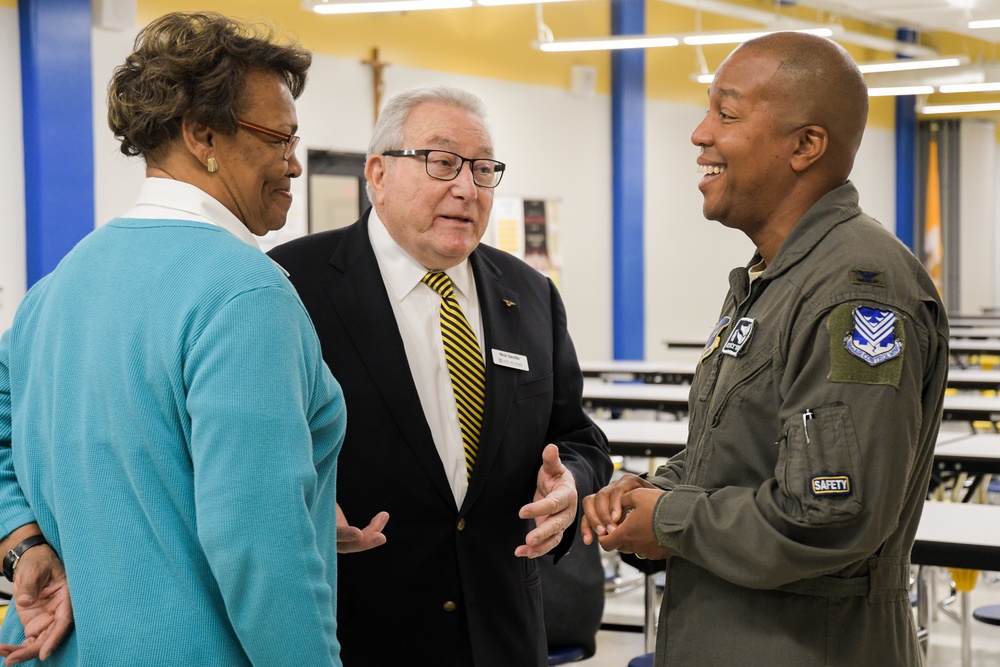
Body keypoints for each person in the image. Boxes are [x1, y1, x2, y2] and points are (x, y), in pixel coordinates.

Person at [0, 12, 385, 666]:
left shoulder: (56, 289)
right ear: (202, 134)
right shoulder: (247, 293)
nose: (294, 162)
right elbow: (259, 551)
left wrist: (23, 543)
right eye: (279, 138)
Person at [581, 32, 949, 666]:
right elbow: (745, 456)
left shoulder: (855, 289)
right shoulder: (775, 277)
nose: (700, 134)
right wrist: (653, 488)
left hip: (807, 643)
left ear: (805, 146)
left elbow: (829, 515)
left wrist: (669, 520)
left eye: (726, 114)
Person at [268, 85, 613, 666]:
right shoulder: (291, 286)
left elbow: (580, 439)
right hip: (361, 634)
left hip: (505, 634)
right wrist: (297, 509)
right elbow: (253, 455)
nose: (467, 187)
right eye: (442, 162)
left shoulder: (529, 295)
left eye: (483, 169)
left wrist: (570, 486)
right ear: (377, 173)